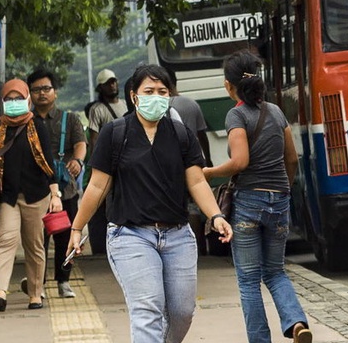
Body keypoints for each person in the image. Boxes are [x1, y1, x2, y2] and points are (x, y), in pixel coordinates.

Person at [67, 64, 232, 343]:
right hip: (130, 235)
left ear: (170, 96)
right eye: (148, 91)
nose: (156, 96)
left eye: (162, 91)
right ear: (134, 96)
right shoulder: (115, 133)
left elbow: (196, 182)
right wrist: (76, 228)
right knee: (148, 309)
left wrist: (215, 216)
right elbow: (96, 186)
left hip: (178, 236)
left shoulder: (181, 135)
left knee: (182, 312)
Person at [202, 49, 312, 343]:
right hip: (279, 200)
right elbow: (291, 158)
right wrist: (283, 189)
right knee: (276, 272)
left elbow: (240, 162)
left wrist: (210, 173)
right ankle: (297, 323)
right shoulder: (275, 111)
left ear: (229, 85)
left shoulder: (236, 115)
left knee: (249, 280)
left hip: (249, 203)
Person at [0, 79, 59, 312]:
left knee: (34, 246)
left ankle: (35, 294)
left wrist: (55, 195)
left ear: (27, 99)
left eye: (18, 98)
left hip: (37, 195)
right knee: (6, 240)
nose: (13, 103)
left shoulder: (37, 126)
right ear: (3, 101)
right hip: (6, 195)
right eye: (9, 99)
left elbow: (48, 164)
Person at [27, 68, 87, 298]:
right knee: (37, 240)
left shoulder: (69, 119)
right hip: (35, 190)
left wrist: (78, 161)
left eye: (46, 88)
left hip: (65, 189)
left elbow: (80, 144)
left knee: (66, 237)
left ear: (55, 92)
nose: (42, 94)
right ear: (29, 93)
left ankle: (64, 281)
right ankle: (37, 285)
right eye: (36, 90)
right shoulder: (25, 121)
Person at [164, 66, 214, 257]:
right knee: (194, 207)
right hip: (192, 164)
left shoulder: (159, 105)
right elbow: (202, 137)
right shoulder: (192, 104)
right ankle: (200, 250)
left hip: (169, 167)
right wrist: (207, 161)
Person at [86, 68, 128, 254]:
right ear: (101, 87)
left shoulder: (126, 105)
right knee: (104, 206)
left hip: (127, 162)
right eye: (108, 83)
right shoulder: (98, 110)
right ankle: (104, 247)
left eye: (114, 81)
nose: (112, 85)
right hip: (109, 164)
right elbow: (93, 140)